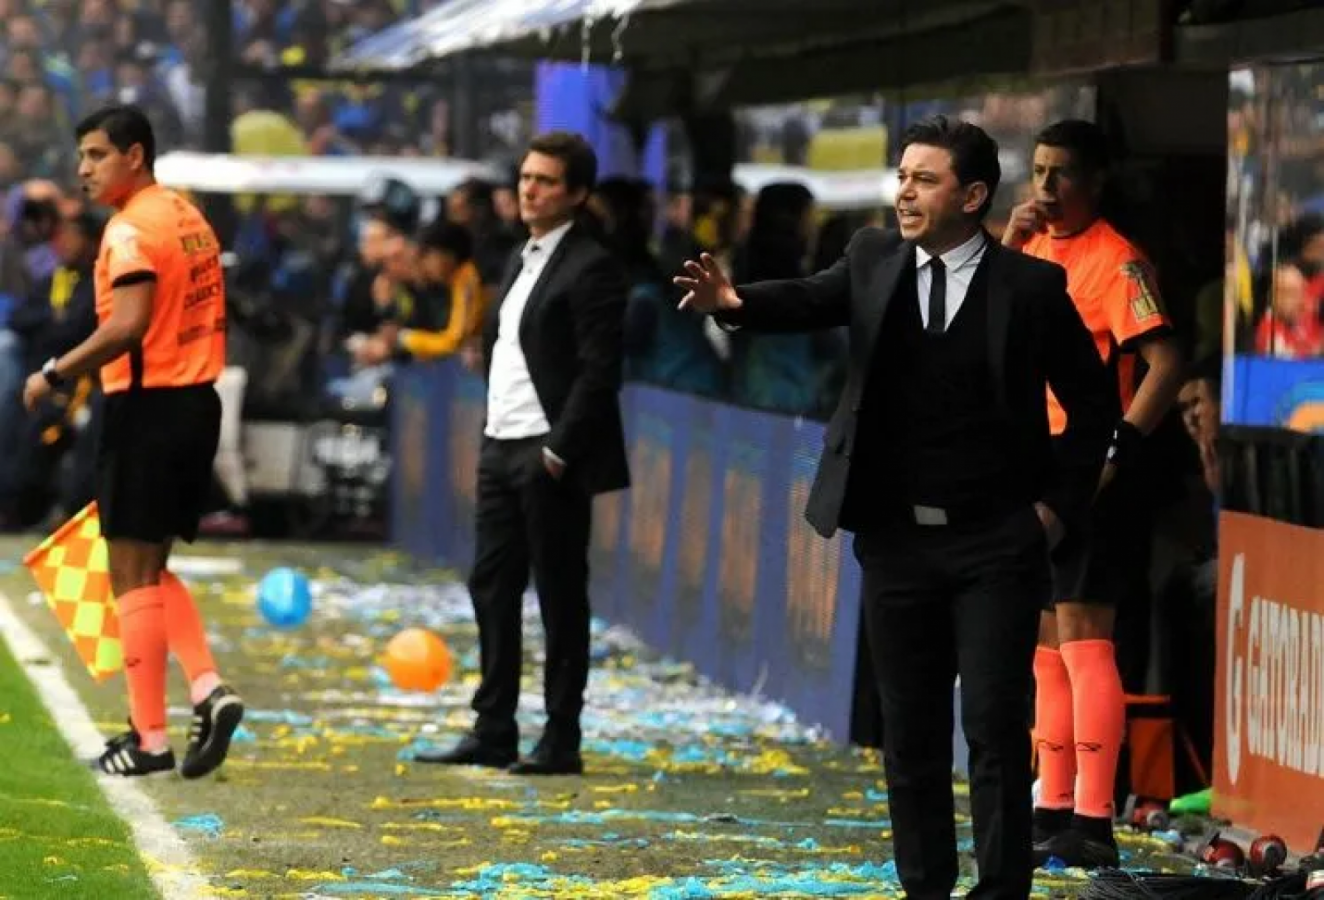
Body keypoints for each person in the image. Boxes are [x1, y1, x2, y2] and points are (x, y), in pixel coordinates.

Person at [674, 115, 1116, 900]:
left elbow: (1092, 408)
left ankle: (1001, 889)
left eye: (924, 179)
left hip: (996, 546)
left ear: (973, 195)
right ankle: (925, 889)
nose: (905, 192)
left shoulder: (1031, 287)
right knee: (908, 736)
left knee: (991, 728)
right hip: (895, 543)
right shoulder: (875, 257)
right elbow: (810, 299)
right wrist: (735, 301)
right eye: (902, 176)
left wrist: (1052, 509)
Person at [22, 104, 244, 778]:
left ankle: (149, 740)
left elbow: (129, 323)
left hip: (146, 408)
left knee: (128, 574)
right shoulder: (186, 216)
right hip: (193, 403)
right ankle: (205, 688)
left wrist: (57, 371)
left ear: (135, 156)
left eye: (95, 155)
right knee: (149, 568)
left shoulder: (128, 231)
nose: (82, 169)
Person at [1002, 119, 1184, 869]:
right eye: (1038, 171)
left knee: (1085, 642)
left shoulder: (1119, 260)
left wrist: (1120, 448)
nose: (1046, 188)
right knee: (1045, 652)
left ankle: (1094, 818)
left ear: (1095, 181)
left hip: (1089, 470)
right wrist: (1006, 244)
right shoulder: (1031, 246)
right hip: (1031, 466)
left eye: (1062, 174)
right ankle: (1051, 803)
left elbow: (1166, 361)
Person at [418, 131, 629, 776]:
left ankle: (561, 735)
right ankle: (494, 728)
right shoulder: (518, 257)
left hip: (546, 453)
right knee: (492, 585)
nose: (528, 188)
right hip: (500, 443)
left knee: (561, 595)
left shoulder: (592, 266)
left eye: (544, 180)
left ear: (577, 194)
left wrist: (560, 449)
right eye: (525, 177)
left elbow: (600, 372)